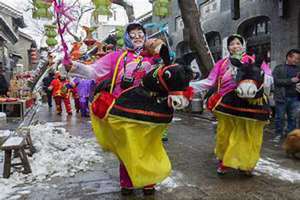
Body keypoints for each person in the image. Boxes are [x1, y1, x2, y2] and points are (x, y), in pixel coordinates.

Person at [69, 22, 163, 195]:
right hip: (123, 111)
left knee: (148, 146)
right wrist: (74, 66)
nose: (137, 36)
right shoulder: (116, 57)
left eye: (140, 33)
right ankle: (127, 182)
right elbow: (93, 71)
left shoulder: (154, 57)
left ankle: (148, 181)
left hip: (148, 109)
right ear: (127, 37)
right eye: (133, 33)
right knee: (126, 147)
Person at [190, 34, 273, 175]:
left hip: (250, 104)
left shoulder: (253, 60)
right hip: (227, 103)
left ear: (243, 45)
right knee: (225, 133)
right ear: (228, 47)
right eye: (232, 44)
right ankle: (225, 161)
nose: (235, 46)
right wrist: (189, 86)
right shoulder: (221, 63)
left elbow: (268, 76)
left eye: (238, 43)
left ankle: (246, 162)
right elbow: (210, 81)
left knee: (248, 134)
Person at [273, 48, 300, 138]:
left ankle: (290, 135)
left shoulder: (298, 69)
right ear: (288, 57)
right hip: (281, 97)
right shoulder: (279, 68)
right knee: (279, 117)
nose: (297, 60)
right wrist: (290, 80)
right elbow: (276, 81)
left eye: (298, 59)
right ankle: (278, 134)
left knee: (293, 118)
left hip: (295, 98)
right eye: (295, 58)